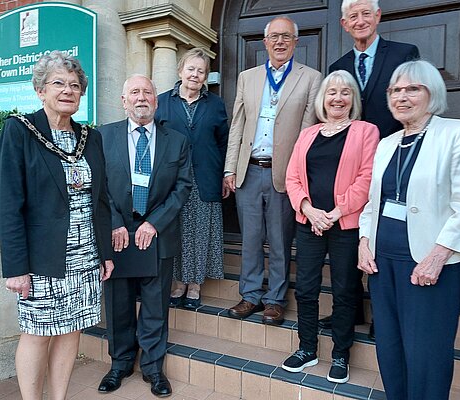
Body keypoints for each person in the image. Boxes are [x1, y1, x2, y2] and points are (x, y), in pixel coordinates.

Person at [357, 60, 460, 399]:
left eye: (412, 89)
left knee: (426, 355)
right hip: (383, 264)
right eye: (395, 90)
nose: (402, 96)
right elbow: (374, 203)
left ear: (433, 94)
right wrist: (364, 241)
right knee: (390, 349)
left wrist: (438, 256)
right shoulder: (386, 144)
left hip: (429, 265)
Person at [0, 51, 114, 400]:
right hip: (42, 259)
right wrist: (17, 268)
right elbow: (9, 205)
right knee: (37, 332)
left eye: (75, 85)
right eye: (58, 83)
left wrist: (104, 253)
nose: (68, 90)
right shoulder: (19, 131)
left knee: (72, 329)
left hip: (85, 257)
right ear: (40, 91)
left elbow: (101, 199)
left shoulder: (91, 138)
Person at [320, 0, 420, 333]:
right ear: (344, 24)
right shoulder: (338, 64)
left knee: (385, 235)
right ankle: (351, 311)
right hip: (348, 170)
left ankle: (384, 315)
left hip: (394, 162)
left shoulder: (404, 53)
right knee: (348, 241)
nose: (360, 20)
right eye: (353, 16)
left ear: (377, 17)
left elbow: (414, 103)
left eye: (366, 13)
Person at [97, 74, 191, 398]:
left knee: (155, 305)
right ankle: (119, 364)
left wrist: (155, 223)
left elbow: (182, 187)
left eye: (147, 92)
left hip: (157, 233)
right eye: (134, 92)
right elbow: (98, 188)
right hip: (118, 233)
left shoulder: (176, 140)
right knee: (118, 303)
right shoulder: (103, 136)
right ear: (123, 101)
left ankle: (153, 369)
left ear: (156, 99)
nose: (141, 97)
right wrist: (114, 224)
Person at [224, 16, 322, 325]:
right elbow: (237, 126)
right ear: (265, 43)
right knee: (251, 238)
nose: (279, 42)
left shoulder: (311, 78)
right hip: (249, 171)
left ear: (295, 42)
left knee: (280, 239)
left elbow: (308, 131)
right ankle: (250, 294)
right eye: (274, 37)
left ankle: (276, 299)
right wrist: (229, 169)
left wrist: (300, 176)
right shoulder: (247, 77)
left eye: (286, 37)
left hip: (284, 173)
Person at [282, 70, 378, 383]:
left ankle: (340, 353)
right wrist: (310, 211)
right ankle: (306, 348)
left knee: (344, 290)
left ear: (353, 99)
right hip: (309, 223)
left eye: (344, 92)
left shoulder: (366, 131)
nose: (337, 98)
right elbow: (292, 178)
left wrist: (334, 213)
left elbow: (367, 179)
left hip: (345, 225)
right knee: (306, 289)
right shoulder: (307, 134)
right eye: (331, 92)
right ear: (323, 99)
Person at [156, 48, 230, 309]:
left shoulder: (216, 104)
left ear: (206, 76)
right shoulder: (162, 101)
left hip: (206, 177)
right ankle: (178, 283)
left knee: (199, 233)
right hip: (172, 180)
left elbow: (224, 143)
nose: (195, 75)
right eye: (191, 69)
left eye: (201, 71)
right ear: (180, 71)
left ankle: (195, 284)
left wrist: (224, 174)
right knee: (176, 230)